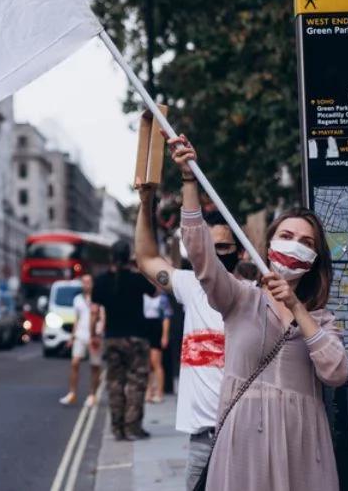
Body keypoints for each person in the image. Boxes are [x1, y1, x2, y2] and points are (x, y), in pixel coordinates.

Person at [170, 135, 348, 490]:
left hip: (302, 445)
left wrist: (298, 308)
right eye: (287, 235)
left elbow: (336, 373)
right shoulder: (241, 299)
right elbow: (202, 258)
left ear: (315, 260)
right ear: (268, 245)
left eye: (307, 242)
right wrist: (190, 182)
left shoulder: (322, 319)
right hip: (244, 443)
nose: (295, 245)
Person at [136, 184, 253, 490]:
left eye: (224, 249)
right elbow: (146, 258)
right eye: (209, 249)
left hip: (247, 435)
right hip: (203, 438)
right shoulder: (190, 285)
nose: (215, 258)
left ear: (240, 251)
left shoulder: (257, 297)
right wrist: (145, 203)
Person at [92, 238, 157, 441]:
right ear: (129, 257)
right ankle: (133, 427)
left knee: (115, 383)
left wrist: (94, 333)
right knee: (137, 383)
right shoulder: (137, 280)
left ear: (111, 257)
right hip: (137, 337)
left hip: (112, 338)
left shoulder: (101, 281)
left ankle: (117, 428)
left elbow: (95, 310)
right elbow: (155, 291)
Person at [60, 273, 103, 407]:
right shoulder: (77, 299)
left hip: (95, 336)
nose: (86, 284)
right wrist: (72, 337)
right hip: (80, 335)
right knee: (75, 363)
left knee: (95, 366)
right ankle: (72, 393)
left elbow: (102, 317)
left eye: (88, 282)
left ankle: (92, 395)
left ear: (93, 284)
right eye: (84, 282)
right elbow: (76, 320)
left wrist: (99, 333)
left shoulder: (99, 298)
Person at [142, 290, 171, 403]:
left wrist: (165, 335)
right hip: (144, 329)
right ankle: (149, 391)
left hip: (156, 329)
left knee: (156, 362)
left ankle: (159, 392)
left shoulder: (162, 297)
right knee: (147, 363)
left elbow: (166, 318)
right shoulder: (143, 295)